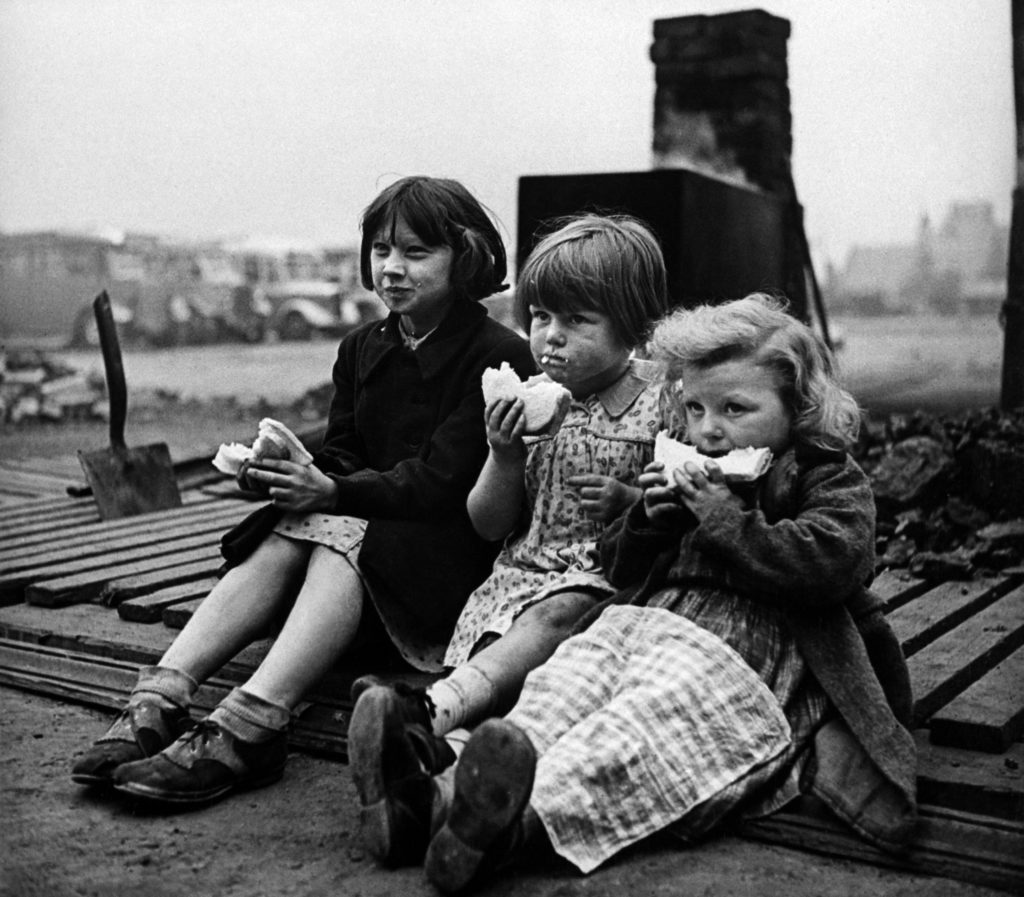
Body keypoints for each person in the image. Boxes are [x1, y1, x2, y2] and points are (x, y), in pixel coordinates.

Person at [358, 292, 918, 892]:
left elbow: (833, 564)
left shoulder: (824, 473)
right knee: (565, 686)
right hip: (638, 624)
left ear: (797, 406)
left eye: (735, 409)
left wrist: (726, 518)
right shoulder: (687, 464)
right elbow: (618, 566)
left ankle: (506, 823)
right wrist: (647, 517)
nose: (708, 431)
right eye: (696, 408)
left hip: (743, 652)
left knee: (639, 727)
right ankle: (432, 789)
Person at [70, 176, 535, 805]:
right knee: (291, 525)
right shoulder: (361, 347)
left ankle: (254, 721)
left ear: (467, 257)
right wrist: (288, 467)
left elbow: (439, 484)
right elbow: (343, 450)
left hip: (440, 566)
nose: (392, 269)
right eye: (381, 251)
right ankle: (159, 696)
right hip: (357, 557)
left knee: (334, 526)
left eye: (416, 254)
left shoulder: (499, 355)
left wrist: (332, 489)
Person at [348, 213, 671, 866]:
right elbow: (488, 522)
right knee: (503, 675)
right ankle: (424, 790)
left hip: (604, 589)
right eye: (541, 316)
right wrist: (500, 453)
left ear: (635, 325)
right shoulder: (530, 402)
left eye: (577, 321)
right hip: (515, 580)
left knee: (554, 620)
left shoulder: (660, 404)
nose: (551, 338)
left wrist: (636, 505)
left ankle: (423, 720)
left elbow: (679, 509)